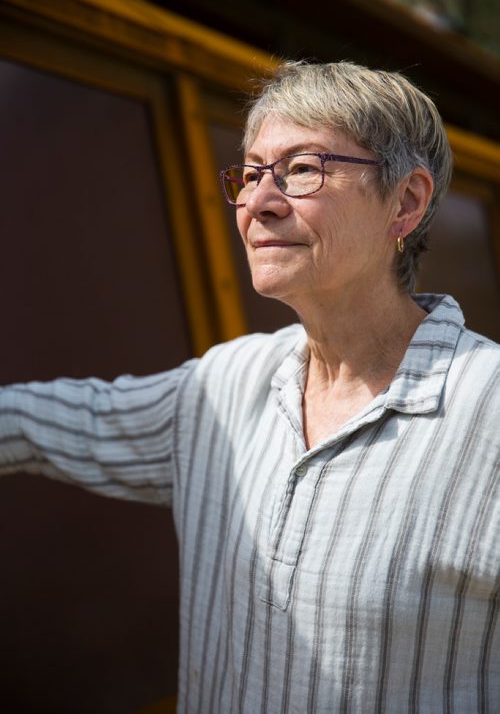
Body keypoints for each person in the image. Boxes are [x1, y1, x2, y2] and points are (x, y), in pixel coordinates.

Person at [1, 61, 499, 713]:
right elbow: (48, 422)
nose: (257, 201)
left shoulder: (486, 410)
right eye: (251, 171)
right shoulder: (227, 382)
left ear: (404, 202)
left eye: (300, 169)